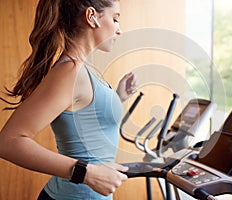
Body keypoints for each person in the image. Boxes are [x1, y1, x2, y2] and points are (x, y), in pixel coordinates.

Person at [0, 0, 138, 199]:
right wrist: (86, 173)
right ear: (92, 17)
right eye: (115, 19)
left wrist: (118, 97)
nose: (119, 30)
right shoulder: (70, 71)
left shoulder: (83, 69)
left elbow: (86, 120)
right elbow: (8, 142)